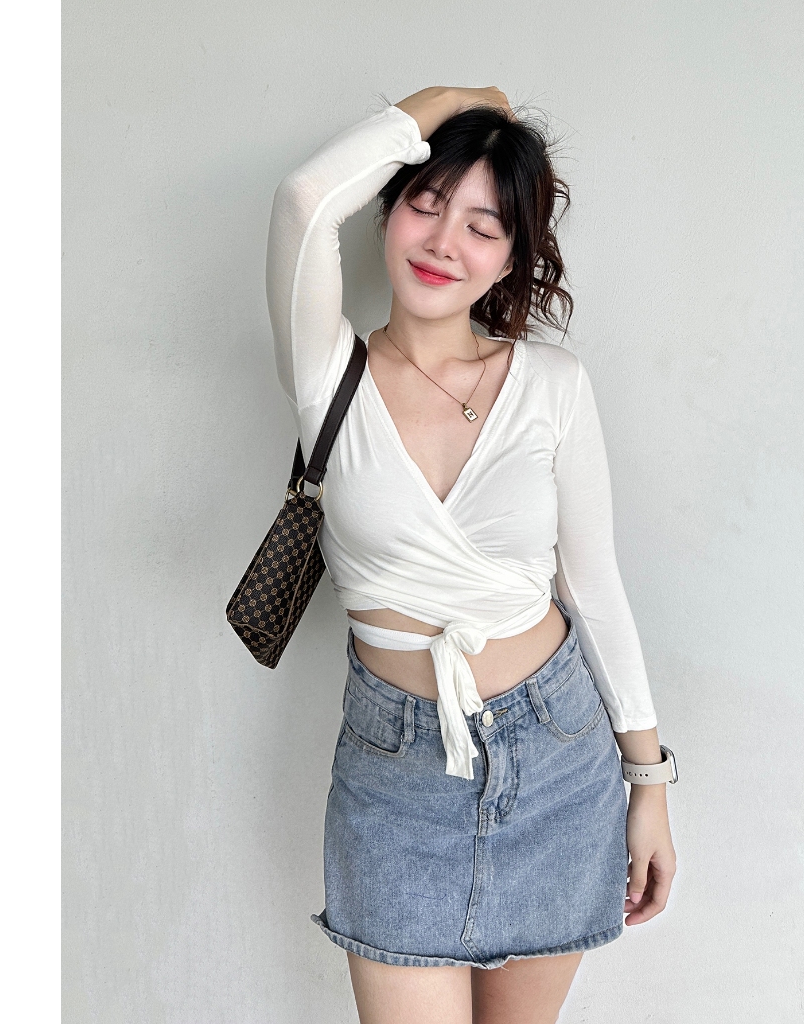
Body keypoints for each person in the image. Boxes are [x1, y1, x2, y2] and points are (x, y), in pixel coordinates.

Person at [266, 85, 676, 1024]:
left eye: (483, 227)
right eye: (427, 203)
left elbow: (593, 587)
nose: (445, 242)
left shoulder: (553, 385)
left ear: (511, 257)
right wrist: (457, 103)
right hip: (396, 777)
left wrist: (649, 781)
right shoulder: (327, 372)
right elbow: (302, 199)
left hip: (560, 758)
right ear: (386, 212)